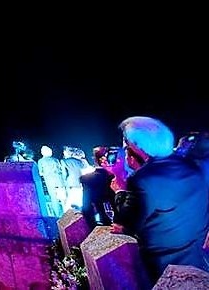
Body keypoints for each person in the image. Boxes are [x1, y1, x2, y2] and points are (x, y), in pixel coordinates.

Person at [111, 116, 209, 284]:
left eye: (127, 144)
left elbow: (127, 221)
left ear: (137, 146)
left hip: (166, 269)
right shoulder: (192, 166)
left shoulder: (142, 178)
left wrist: (119, 190)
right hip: (199, 261)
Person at [80, 146, 116, 228]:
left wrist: (93, 228)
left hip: (101, 226)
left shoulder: (87, 179)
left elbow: (86, 208)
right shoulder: (116, 177)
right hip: (121, 226)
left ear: (94, 159)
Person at [37, 145, 67, 217]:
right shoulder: (55, 159)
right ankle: (67, 215)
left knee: (54, 199)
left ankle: (57, 216)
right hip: (60, 180)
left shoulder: (41, 161)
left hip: (50, 182)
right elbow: (60, 169)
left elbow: (40, 173)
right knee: (63, 199)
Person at [61, 146, 86, 210]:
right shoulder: (79, 161)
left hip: (70, 183)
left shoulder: (64, 161)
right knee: (80, 201)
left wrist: (64, 182)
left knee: (69, 203)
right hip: (80, 182)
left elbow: (64, 174)